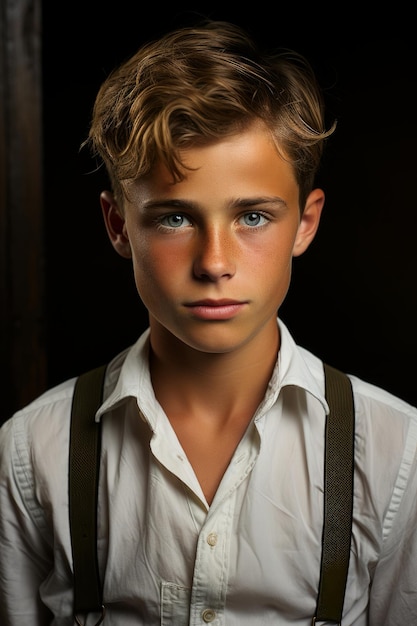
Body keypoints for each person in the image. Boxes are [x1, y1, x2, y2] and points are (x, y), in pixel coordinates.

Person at [1, 19, 417, 626]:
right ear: (119, 226)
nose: (214, 263)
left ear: (305, 222)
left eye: (252, 217)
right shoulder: (31, 452)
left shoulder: (395, 453)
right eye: (174, 219)